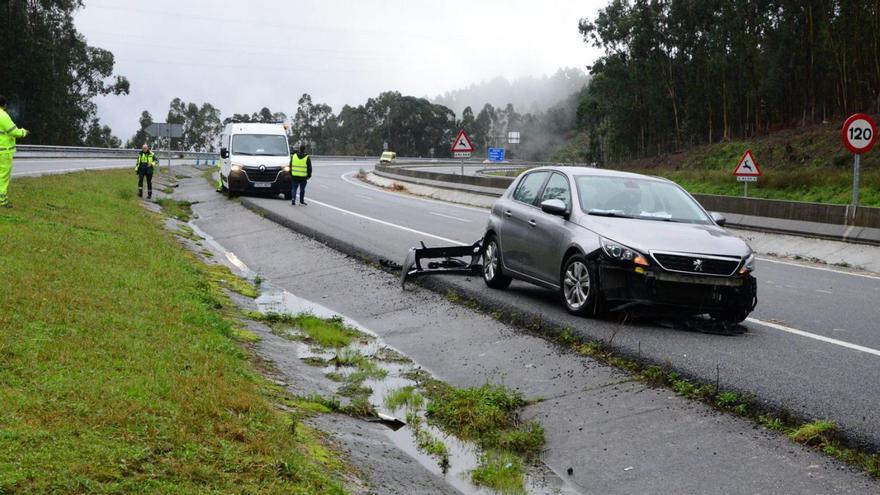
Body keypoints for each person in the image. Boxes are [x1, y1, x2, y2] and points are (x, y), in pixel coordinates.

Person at [0, 95, 29, 208]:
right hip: (3, 152)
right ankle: (2, 201)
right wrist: (23, 132)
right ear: (5, 105)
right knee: (2, 177)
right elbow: (13, 131)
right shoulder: (3, 115)